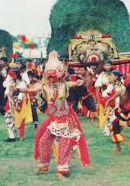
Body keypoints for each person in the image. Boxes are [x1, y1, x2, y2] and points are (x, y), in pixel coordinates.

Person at [15, 51, 91, 179]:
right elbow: (29, 90)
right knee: (43, 140)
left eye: (54, 72)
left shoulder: (65, 85)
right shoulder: (44, 86)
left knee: (64, 144)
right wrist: (16, 89)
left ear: (60, 73)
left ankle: (62, 169)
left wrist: (83, 80)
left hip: (66, 119)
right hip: (54, 119)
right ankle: (44, 164)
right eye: (49, 73)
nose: (51, 75)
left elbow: (80, 84)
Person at [105, 76, 130, 155]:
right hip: (121, 113)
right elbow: (109, 100)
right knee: (115, 126)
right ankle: (118, 147)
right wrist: (106, 108)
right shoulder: (121, 91)